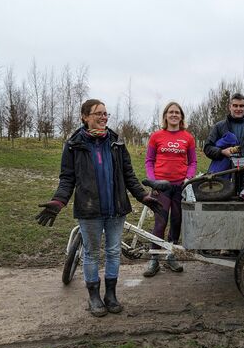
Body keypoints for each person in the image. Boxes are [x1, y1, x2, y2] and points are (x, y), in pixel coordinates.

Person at [35, 99, 161, 317]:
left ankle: (110, 295)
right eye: (98, 113)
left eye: (105, 114)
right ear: (85, 117)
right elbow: (67, 179)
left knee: (113, 252)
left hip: (116, 209)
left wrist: (143, 196)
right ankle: (94, 296)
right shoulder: (74, 145)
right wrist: (58, 201)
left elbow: (128, 175)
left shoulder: (116, 142)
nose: (103, 117)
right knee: (92, 254)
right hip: (90, 210)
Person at [143, 102, 197, 277]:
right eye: (170, 112)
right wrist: (153, 181)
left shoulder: (188, 138)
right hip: (161, 188)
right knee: (160, 222)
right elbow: (149, 161)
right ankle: (154, 259)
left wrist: (188, 178)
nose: (174, 115)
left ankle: (170, 255)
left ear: (181, 117)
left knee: (176, 221)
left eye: (177, 112)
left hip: (180, 187)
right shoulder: (156, 136)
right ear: (165, 116)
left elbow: (193, 162)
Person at [204, 93, 244, 166]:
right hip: (224, 173)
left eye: (241, 106)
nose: (238, 109)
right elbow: (207, 148)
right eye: (235, 106)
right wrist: (222, 152)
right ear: (230, 107)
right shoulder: (219, 126)